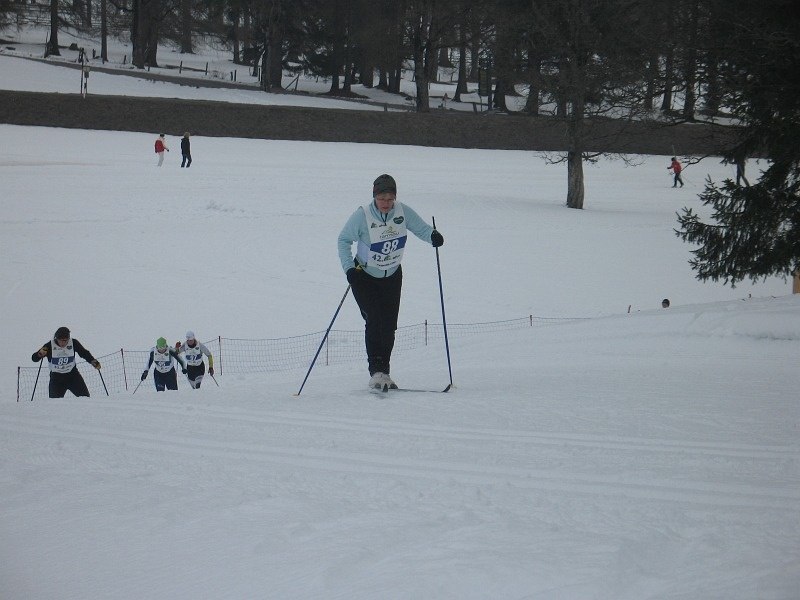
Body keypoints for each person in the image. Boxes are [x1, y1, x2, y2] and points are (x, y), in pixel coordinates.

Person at [337, 173, 444, 390]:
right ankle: (375, 371)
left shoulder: (402, 212)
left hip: (393, 276)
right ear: (374, 196)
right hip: (364, 275)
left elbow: (422, 229)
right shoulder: (362, 216)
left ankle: (384, 372)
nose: (386, 203)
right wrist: (349, 269)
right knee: (374, 319)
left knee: (388, 325)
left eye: (390, 199)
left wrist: (433, 235)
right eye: (381, 198)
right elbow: (343, 240)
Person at [31, 326, 100, 398]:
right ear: (56, 338)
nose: (63, 343)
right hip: (56, 379)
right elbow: (34, 359)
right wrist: (39, 354)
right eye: (61, 340)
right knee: (55, 402)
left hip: (73, 376)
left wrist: (93, 361)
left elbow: (84, 353)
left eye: (65, 340)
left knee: (85, 398)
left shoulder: (73, 343)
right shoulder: (49, 346)